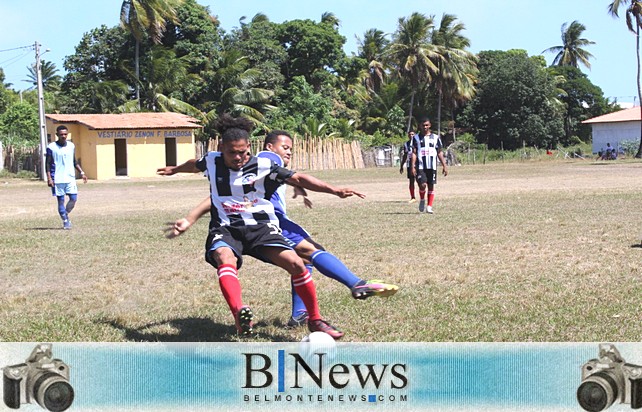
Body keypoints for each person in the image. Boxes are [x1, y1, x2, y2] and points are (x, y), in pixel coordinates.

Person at [156, 115, 364, 339]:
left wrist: (335, 190)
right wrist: (175, 170)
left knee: (296, 264)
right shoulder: (211, 160)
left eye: (243, 152)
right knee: (225, 259)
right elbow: (193, 164)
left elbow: (300, 178)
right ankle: (240, 314)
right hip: (227, 227)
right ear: (221, 148)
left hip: (261, 227)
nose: (238, 157)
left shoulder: (264, 165)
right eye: (232, 152)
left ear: (249, 148)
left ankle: (315, 320)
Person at [46, 125, 87, 229]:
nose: (63, 136)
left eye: (65, 134)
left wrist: (82, 172)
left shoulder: (71, 146)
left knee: (73, 199)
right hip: (57, 179)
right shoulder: (51, 147)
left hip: (70, 178)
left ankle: (65, 213)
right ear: (57, 135)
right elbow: (48, 164)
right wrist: (49, 178)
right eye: (61, 134)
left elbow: (74, 161)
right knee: (61, 200)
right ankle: (65, 221)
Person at [411, 118, 448, 214]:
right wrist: (412, 166)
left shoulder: (435, 137)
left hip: (432, 166)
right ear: (420, 126)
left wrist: (444, 165)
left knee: (431, 186)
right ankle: (422, 200)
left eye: (426, 125)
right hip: (420, 166)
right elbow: (414, 153)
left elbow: (439, 152)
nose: (425, 127)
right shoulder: (416, 138)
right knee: (422, 185)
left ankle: (429, 206)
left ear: (430, 125)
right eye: (423, 125)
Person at [399, 131, 418, 203]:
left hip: (418, 164)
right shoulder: (406, 144)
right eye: (410, 134)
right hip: (410, 164)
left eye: (413, 134)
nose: (411, 135)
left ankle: (423, 195)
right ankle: (413, 197)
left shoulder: (418, 143)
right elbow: (405, 155)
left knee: (421, 181)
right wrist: (401, 165)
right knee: (411, 181)